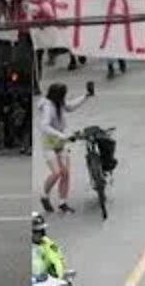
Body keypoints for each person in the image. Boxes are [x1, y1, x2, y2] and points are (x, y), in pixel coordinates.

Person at [38, 82, 92, 214]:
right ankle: (44, 196)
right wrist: (60, 135)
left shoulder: (59, 103)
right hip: (50, 143)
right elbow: (44, 125)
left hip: (61, 142)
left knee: (66, 172)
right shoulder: (47, 107)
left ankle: (63, 202)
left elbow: (70, 106)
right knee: (56, 172)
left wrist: (85, 96)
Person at [31, 212, 67, 281]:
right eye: (35, 231)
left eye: (41, 231)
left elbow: (58, 260)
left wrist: (60, 276)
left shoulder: (48, 243)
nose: (39, 234)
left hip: (46, 281)